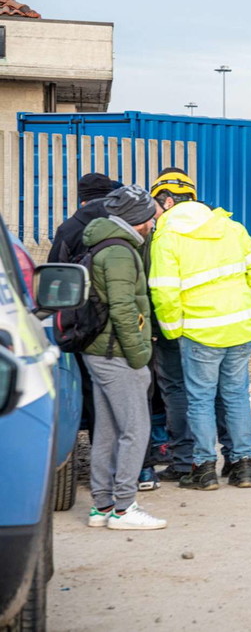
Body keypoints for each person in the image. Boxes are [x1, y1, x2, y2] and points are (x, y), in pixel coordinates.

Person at [148, 192, 251, 490]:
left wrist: (173, 329)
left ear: (168, 210)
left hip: (200, 331)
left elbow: (163, 291)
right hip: (240, 326)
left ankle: (203, 469)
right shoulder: (231, 228)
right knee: (236, 396)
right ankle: (242, 466)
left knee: (200, 400)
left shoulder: (168, 237)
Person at [81, 185, 167, 531]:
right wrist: (140, 355)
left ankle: (102, 506)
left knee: (107, 430)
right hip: (118, 353)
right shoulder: (119, 252)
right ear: (137, 219)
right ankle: (123, 508)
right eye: (149, 215)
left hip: (101, 351)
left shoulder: (108, 244)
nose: (153, 221)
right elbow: (123, 308)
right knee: (135, 428)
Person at [146, 168, 234, 482]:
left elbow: (161, 285)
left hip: (178, 326)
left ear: (167, 201)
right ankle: (234, 460)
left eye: (155, 204)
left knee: (180, 391)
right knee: (220, 393)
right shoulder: (221, 225)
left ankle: (188, 460)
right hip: (222, 324)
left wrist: (166, 329)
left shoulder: (164, 232)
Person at [49, 172, 122, 440]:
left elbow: (57, 277)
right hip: (125, 319)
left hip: (84, 322)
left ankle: (100, 453)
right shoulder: (125, 223)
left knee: (92, 389)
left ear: (80, 198)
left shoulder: (69, 228)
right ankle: (141, 462)